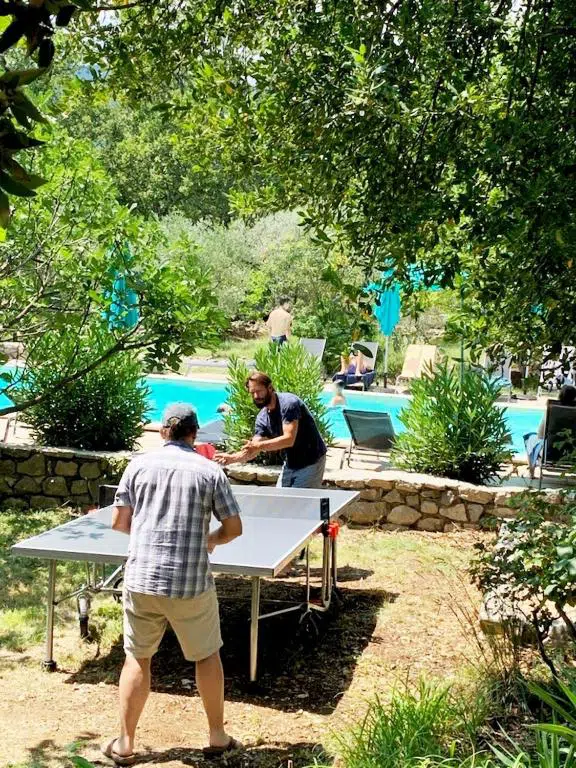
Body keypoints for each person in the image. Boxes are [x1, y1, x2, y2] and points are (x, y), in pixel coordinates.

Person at [101, 403, 243, 765]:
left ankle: (125, 744)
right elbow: (233, 529)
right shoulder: (210, 472)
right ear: (194, 433)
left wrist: (150, 536)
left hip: (142, 580)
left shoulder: (138, 466)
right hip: (190, 583)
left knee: (137, 657)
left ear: (164, 431)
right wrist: (210, 539)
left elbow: (119, 522)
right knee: (206, 655)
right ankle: (217, 736)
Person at [215, 372, 327, 488]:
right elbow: (254, 448)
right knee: (278, 497)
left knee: (300, 499)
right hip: (290, 463)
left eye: (259, 391)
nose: (256, 396)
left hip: (311, 461)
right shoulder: (262, 418)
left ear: (270, 387)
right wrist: (232, 458)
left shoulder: (289, 404)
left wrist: (258, 446)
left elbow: (289, 439)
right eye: (252, 393)